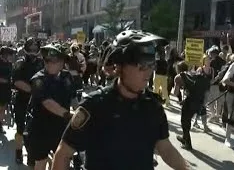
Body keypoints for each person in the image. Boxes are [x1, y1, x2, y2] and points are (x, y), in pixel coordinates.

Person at [52, 30, 190, 170]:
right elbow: (63, 154)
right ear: (119, 66)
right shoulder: (94, 106)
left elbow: (165, 149)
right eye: (142, 65)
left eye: (151, 64)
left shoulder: (152, 107)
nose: (148, 71)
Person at [27, 44, 75, 170]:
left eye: (53, 61)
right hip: (41, 129)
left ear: (62, 62)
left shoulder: (67, 76)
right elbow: (48, 103)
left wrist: (80, 111)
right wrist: (68, 115)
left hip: (61, 128)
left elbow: (73, 98)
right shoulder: (38, 79)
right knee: (40, 162)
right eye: (46, 60)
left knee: (62, 161)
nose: (48, 63)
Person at [12, 37, 44, 165]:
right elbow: (17, 82)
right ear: (25, 49)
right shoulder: (20, 63)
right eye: (30, 48)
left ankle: (32, 154)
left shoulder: (42, 63)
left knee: (36, 130)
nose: (32, 51)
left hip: (38, 103)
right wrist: (34, 90)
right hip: (22, 101)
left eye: (35, 48)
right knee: (20, 129)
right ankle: (18, 152)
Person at [174, 60, 211, 150]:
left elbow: (175, 93)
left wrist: (179, 86)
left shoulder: (179, 77)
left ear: (178, 69)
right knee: (188, 120)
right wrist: (203, 103)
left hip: (190, 102)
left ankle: (187, 143)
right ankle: (184, 139)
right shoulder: (195, 74)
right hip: (199, 101)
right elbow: (205, 91)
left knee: (184, 122)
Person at [0, 46, 16, 133]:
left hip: (6, 89)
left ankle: (0, 125)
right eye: (10, 54)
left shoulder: (9, 64)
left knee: (3, 108)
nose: (11, 56)